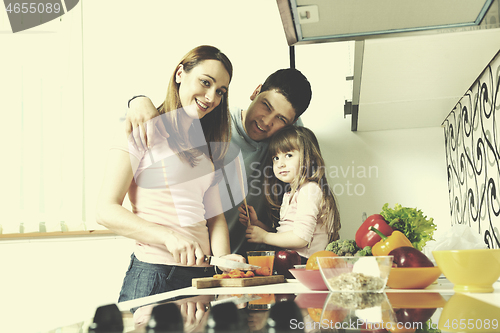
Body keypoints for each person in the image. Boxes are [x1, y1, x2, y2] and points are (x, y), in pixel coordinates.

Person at [96, 45, 245, 304]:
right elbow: (105, 210)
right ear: (180, 73)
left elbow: (216, 220)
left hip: (202, 280)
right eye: (205, 82)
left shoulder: (204, 151)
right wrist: (169, 237)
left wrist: (224, 264)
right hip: (156, 276)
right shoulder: (140, 128)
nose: (211, 97)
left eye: (220, 91)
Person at [125, 68, 313, 256]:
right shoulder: (214, 121)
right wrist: (138, 100)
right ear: (256, 91)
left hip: (253, 260)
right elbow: (177, 110)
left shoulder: (286, 142)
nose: (267, 121)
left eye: (280, 119)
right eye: (266, 105)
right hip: (192, 255)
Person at [239, 126, 340, 263]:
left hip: (305, 263)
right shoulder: (292, 192)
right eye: (275, 158)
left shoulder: (309, 190)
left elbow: (300, 238)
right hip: (293, 260)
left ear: (309, 158)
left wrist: (264, 237)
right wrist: (258, 224)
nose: (280, 164)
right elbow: (286, 234)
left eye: (288, 155)